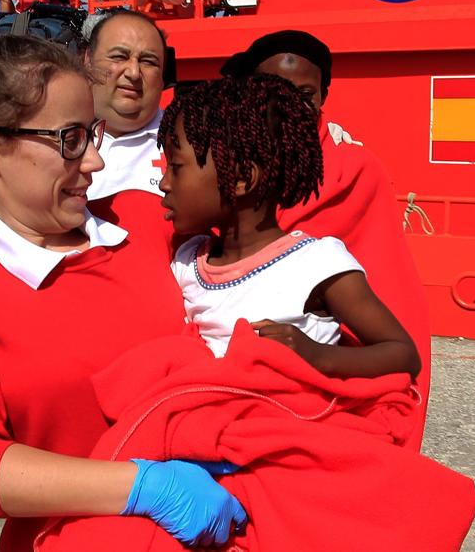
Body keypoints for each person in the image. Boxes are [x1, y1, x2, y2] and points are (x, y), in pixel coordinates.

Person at [0, 30, 247, 551]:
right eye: (70, 140)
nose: (95, 162)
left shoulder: (147, 220)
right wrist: (141, 487)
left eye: (92, 135)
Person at [221, 29, 434, 447]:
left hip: (318, 388)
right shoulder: (220, 159)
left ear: (323, 96)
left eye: (305, 94)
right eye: (274, 90)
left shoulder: (355, 172)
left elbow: (394, 296)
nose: (291, 106)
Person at [159, 76, 422, 378]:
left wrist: (315, 354)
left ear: (243, 178)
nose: (165, 182)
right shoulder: (185, 260)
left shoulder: (318, 263)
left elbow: (403, 353)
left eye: (176, 167)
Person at [84, 10, 171, 245]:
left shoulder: (188, 146)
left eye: (148, 61)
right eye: (119, 57)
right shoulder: (43, 137)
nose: (133, 72)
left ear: (163, 77)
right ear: (87, 62)